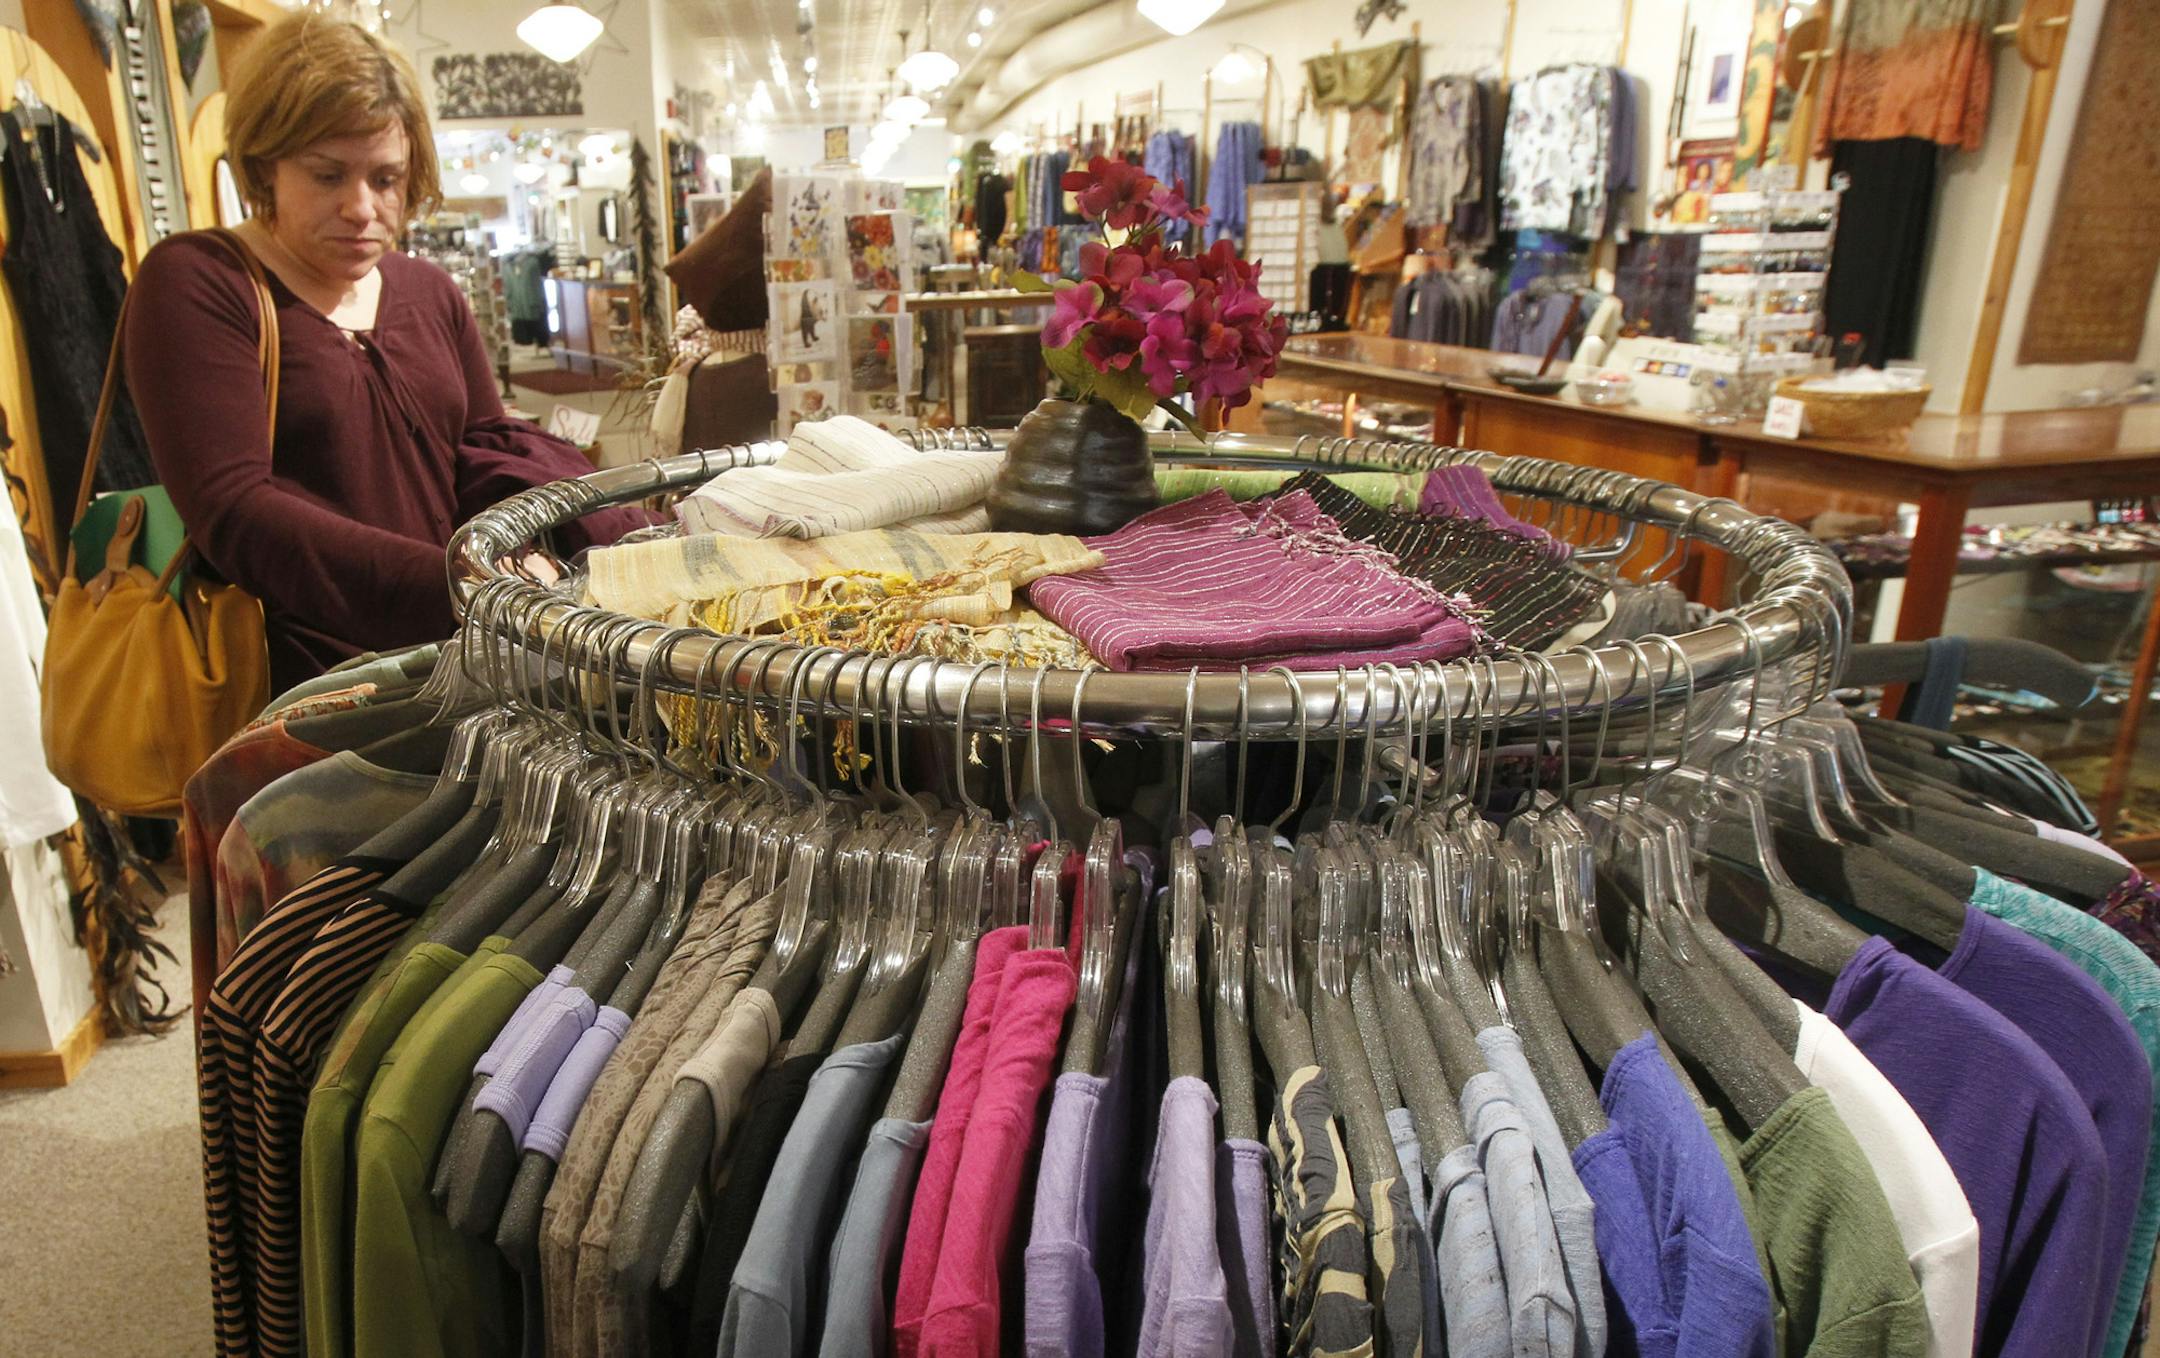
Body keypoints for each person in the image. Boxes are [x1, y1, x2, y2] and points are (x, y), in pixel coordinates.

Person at [123, 14, 651, 690]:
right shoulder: (201, 282)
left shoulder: (427, 291)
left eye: (386, 178)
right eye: (327, 175)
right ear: (264, 165)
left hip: (467, 664)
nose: (362, 207)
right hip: (311, 691)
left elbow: (484, 452)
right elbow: (235, 512)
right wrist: (459, 587)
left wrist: (581, 543)